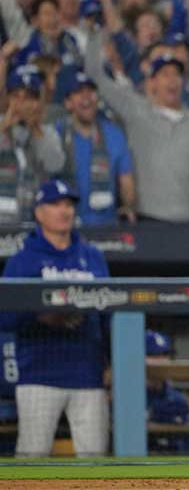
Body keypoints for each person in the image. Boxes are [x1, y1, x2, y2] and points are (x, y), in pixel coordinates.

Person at [0, 180, 110, 457]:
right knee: (32, 459)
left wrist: (110, 364)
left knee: (95, 461)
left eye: (69, 205)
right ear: (39, 213)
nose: (64, 211)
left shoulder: (92, 257)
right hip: (39, 373)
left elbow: (108, 314)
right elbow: (5, 318)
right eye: (55, 204)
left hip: (87, 374)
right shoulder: (23, 260)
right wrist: (43, 316)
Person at [84, 31, 189, 224]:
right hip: (146, 221)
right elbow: (95, 76)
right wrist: (95, 33)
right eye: (165, 75)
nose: (172, 81)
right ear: (152, 82)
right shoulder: (135, 111)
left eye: (177, 75)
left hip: (186, 221)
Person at [56, 71, 137, 225]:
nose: (86, 97)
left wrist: (128, 206)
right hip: (66, 225)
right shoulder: (56, 134)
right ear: (68, 103)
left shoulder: (114, 134)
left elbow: (126, 179)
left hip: (107, 226)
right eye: (79, 92)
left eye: (90, 91)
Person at [0, 65, 65, 224]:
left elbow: (55, 165)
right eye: (16, 96)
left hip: (34, 219)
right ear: (6, 98)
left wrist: (36, 130)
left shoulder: (46, 133)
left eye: (29, 98)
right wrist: (4, 128)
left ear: (38, 102)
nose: (22, 103)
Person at [145, 330, 189, 454]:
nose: (161, 360)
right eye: (153, 355)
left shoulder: (178, 400)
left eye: (165, 354)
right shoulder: (128, 399)